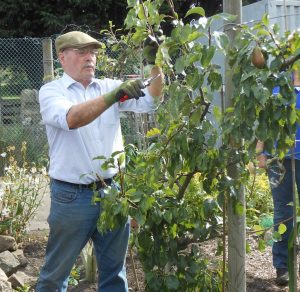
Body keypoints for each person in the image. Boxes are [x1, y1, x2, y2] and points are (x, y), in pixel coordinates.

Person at [36, 30, 163, 292]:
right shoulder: (51, 92)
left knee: (115, 274)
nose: (90, 58)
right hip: (71, 197)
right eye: (81, 52)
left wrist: (154, 62)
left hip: (113, 192)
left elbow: (151, 100)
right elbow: (72, 119)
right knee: (54, 276)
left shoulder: (107, 86)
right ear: (62, 56)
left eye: (93, 52)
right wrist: (114, 96)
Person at [256, 70, 300, 286]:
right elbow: (265, 118)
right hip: (278, 158)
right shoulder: (278, 81)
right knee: (283, 211)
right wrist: (260, 151)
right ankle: (282, 266)